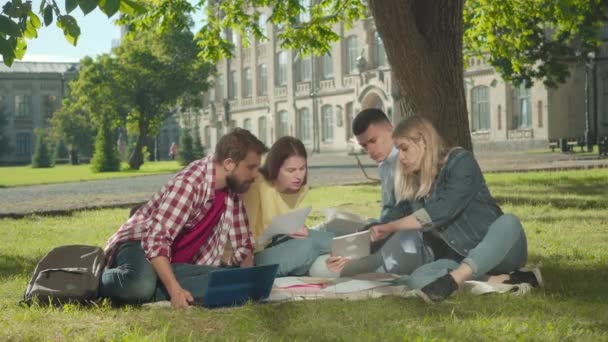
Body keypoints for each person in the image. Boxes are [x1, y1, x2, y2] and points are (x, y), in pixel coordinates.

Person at [343, 115, 534, 302]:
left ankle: (455, 280)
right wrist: (357, 245)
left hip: (501, 252)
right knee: (416, 279)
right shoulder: (412, 181)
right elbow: (389, 219)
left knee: (509, 222)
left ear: (424, 141)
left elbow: (442, 210)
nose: (400, 157)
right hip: (460, 260)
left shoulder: (460, 161)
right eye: (398, 150)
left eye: (404, 148)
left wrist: (392, 227)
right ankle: (498, 280)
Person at [99, 128, 268, 309]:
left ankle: (159, 284)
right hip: (139, 244)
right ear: (229, 164)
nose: (255, 175)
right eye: (250, 167)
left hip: (172, 262)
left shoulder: (231, 192)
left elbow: (244, 244)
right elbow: (155, 239)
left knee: (224, 281)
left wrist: (249, 283)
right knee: (141, 286)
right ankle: (97, 277)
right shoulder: (190, 184)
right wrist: (174, 290)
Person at [311, 108, 431, 277]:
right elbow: (389, 209)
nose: (370, 151)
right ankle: (304, 240)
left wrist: (378, 230)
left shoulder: (409, 160)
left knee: (343, 268)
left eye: (373, 141)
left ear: (391, 129)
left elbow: (417, 213)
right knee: (334, 224)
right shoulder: (384, 164)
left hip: (409, 234)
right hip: (385, 229)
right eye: (364, 146)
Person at [241, 136, 334, 276]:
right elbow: (244, 233)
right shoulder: (257, 185)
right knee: (308, 247)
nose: (298, 176)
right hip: (256, 254)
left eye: (302, 168)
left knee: (332, 239)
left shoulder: (299, 188)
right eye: (291, 170)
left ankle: (366, 245)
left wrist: (298, 231)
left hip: (280, 241)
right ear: (276, 168)